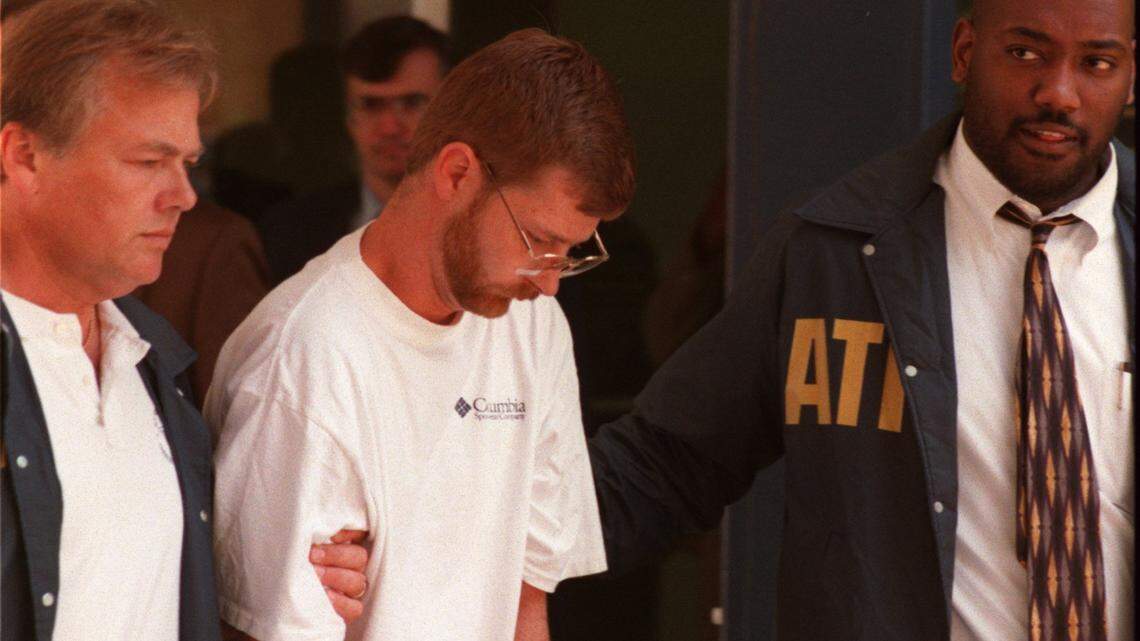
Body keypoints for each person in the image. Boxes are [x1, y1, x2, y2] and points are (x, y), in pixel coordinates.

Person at [588, 0, 1135, 640]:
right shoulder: (837, 250)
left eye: (1097, 62)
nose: (1058, 93)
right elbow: (665, 463)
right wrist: (479, 533)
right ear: (964, 53)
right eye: (1024, 53)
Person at [206, 28, 635, 640]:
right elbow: (270, 629)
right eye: (539, 242)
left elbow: (527, 602)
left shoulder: (533, 323)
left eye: (571, 253)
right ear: (458, 172)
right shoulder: (307, 354)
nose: (549, 284)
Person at [0, 2, 370, 639]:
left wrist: (299, 572)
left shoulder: (152, 364)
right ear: (24, 155)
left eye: (187, 163)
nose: (184, 195)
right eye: (148, 162)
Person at [257, 16, 450, 284]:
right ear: (348, 116)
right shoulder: (289, 232)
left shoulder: (487, 228)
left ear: (450, 110)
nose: (390, 127)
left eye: (412, 103)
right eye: (371, 105)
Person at [134, 200, 272, 405]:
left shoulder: (214, 237)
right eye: (148, 165)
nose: (187, 196)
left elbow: (231, 401)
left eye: (188, 167)